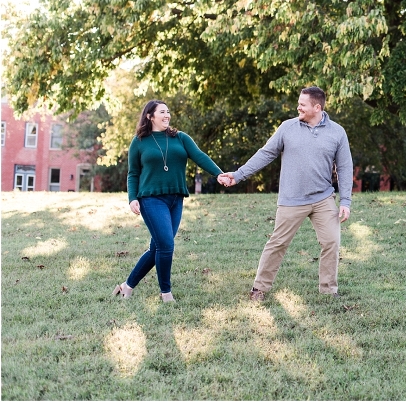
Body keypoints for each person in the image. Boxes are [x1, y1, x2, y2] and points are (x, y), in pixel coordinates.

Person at [218, 86, 353, 301]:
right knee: (277, 243)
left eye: (303, 104)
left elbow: (345, 167)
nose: (298, 107)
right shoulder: (287, 128)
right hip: (292, 199)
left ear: (317, 107)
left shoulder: (337, 132)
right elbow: (265, 154)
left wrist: (345, 200)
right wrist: (238, 174)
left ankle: (328, 290)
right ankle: (259, 289)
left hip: (323, 198)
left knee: (332, 242)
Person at [112, 100, 224, 303]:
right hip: (151, 199)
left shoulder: (180, 138)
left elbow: (199, 156)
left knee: (158, 248)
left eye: (168, 112)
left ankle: (126, 287)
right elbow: (133, 173)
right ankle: (166, 293)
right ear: (150, 116)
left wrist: (219, 174)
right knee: (166, 245)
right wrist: (132, 198)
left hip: (175, 199)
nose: (167, 115)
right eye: (162, 112)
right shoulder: (139, 141)